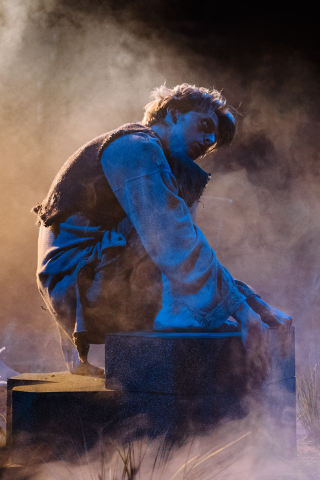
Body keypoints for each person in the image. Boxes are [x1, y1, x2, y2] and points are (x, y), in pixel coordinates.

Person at [34, 84, 292, 379]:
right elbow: (171, 238)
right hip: (81, 285)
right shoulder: (136, 146)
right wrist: (243, 313)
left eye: (214, 140)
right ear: (172, 113)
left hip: (94, 278)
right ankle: (176, 312)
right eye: (205, 125)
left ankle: (180, 310)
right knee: (170, 218)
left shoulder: (157, 160)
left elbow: (184, 241)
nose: (208, 141)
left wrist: (252, 304)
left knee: (176, 209)